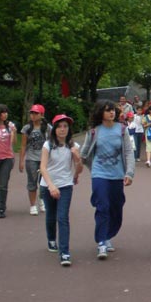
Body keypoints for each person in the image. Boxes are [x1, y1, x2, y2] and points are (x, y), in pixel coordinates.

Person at [80, 100, 135, 260]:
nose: (111, 112)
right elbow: (84, 154)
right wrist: (89, 169)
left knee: (116, 207)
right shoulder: (94, 131)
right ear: (100, 113)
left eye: (113, 110)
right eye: (107, 110)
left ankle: (108, 234)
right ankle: (102, 241)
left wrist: (129, 173)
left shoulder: (122, 130)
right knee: (102, 206)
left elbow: (129, 152)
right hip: (99, 174)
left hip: (117, 175)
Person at [39, 114, 83, 266]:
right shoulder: (48, 145)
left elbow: (79, 169)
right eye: (59, 126)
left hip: (65, 185)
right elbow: (42, 167)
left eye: (65, 126)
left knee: (62, 217)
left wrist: (77, 159)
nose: (62, 129)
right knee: (51, 215)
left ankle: (64, 252)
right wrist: (51, 185)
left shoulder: (74, 146)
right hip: (48, 185)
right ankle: (51, 239)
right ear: (54, 129)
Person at [19, 104, 50, 216]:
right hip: (31, 158)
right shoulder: (27, 128)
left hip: (44, 159)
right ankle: (32, 205)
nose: (33, 115)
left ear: (42, 114)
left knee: (44, 182)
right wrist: (21, 161)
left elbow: (52, 143)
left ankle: (42, 200)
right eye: (32, 113)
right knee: (32, 182)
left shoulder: (48, 128)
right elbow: (23, 145)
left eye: (36, 113)